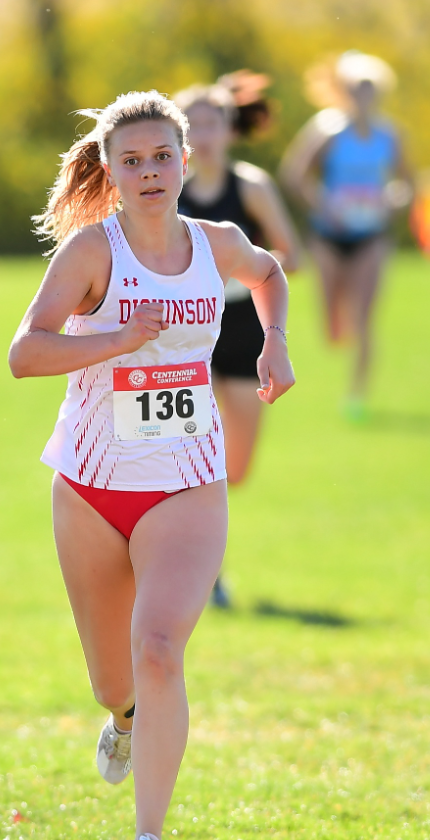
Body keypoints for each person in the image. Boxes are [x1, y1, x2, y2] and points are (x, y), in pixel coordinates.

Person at [9, 90, 294, 840]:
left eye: (161, 157)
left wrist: (274, 343)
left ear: (186, 162)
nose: (149, 173)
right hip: (93, 488)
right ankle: (125, 720)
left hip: (186, 483)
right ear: (109, 169)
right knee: (114, 678)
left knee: (161, 648)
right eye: (130, 161)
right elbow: (25, 353)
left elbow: (269, 273)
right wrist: (115, 340)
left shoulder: (216, 243)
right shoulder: (91, 253)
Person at [174, 74, 300, 609]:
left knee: (235, 467)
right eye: (193, 123)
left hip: (246, 331)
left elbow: (289, 256)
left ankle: (200, 554)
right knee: (192, 452)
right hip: (185, 334)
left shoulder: (251, 186)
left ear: (230, 129)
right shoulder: (164, 187)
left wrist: (238, 278)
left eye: (212, 122)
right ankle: (201, 570)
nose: (203, 134)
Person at [282, 52, 413, 419]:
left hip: (371, 234)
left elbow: (408, 184)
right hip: (328, 234)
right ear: (344, 93)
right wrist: (325, 205)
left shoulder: (390, 135)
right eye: (356, 89)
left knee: (365, 319)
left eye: (370, 89)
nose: (363, 96)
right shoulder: (327, 130)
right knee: (333, 327)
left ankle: (356, 396)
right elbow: (295, 174)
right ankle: (339, 345)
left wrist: (390, 202)